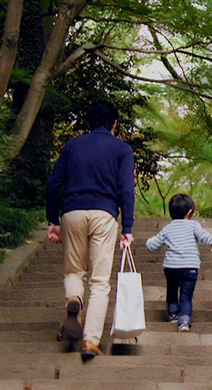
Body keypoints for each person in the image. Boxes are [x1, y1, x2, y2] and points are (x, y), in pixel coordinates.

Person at [45, 100, 135, 362]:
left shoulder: (73, 145)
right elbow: (126, 190)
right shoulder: (122, 149)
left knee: (74, 270)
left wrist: (53, 220)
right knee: (99, 281)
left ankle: (74, 299)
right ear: (114, 124)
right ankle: (90, 341)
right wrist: (127, 226)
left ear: (88, 122)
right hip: (104, 214)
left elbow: (53, 184)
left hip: (72, 212)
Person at [145, 194, 212, 333]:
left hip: (171, 267)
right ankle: (184, 322)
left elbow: (153, 246)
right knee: (186, 296)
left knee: (172, 291)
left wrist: (149, 241)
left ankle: (173, 316)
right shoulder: (194, 225)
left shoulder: (167, 229)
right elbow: (205, 237)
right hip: (190, 267)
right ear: (190, 212)